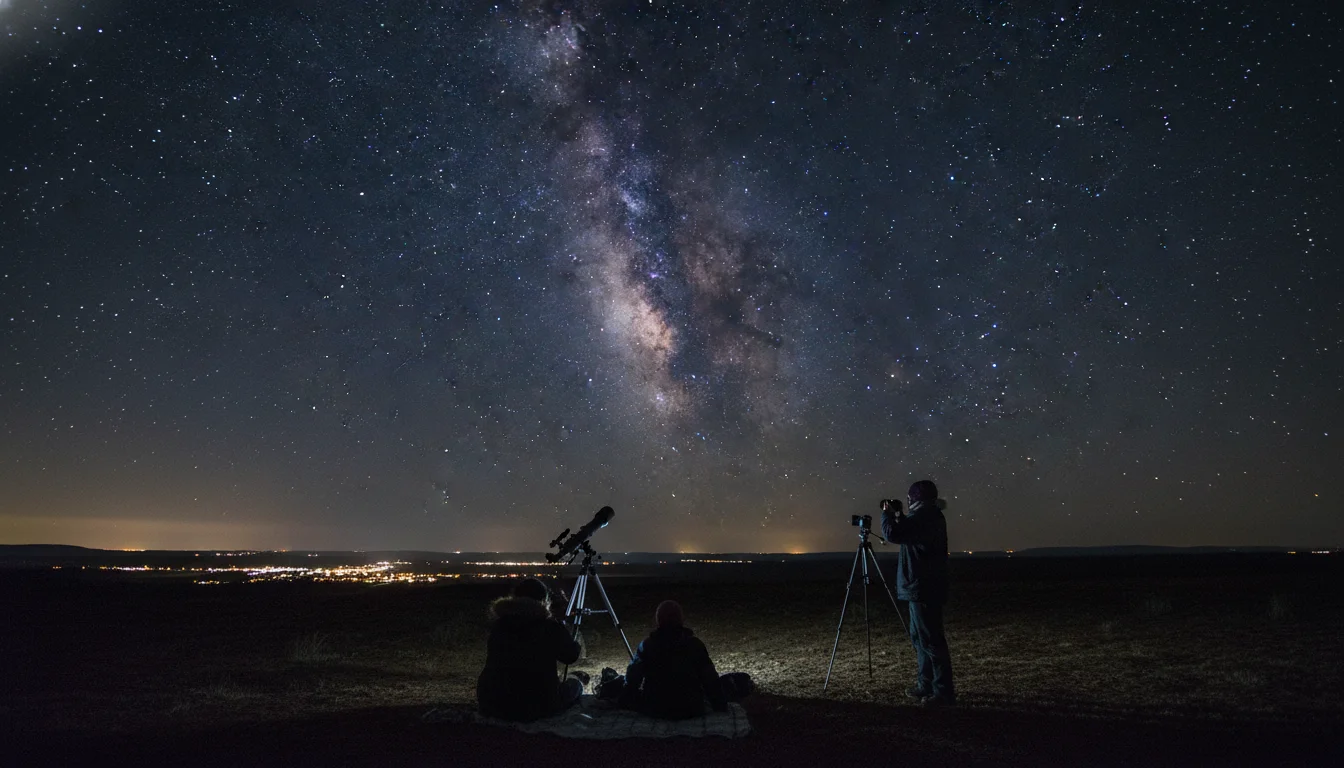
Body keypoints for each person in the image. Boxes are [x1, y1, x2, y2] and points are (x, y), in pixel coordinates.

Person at [881, 479, 956, 706]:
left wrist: (887, 515)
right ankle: (926, 684)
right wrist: (901, 516)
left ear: (914, 499)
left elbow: (893, 534)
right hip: (922, 588)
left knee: (931, 641)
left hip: (922, 589)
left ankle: (942, 692)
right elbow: (909, 532)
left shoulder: (924, 518)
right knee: (921, 639)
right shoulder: (929, 516)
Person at [613, 600, 750, 719]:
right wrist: (719, 705)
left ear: (658, 621)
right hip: (691, 708)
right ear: (681, 620)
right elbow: (710, 680)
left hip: (655, 708)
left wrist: (624, 702)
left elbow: (633, 679)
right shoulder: (695, 645)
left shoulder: (647, 645)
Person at [475, 577, 584, 721]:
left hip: (491, 701)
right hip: (536, 704)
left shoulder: (500, 625)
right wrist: (564, 630)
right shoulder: (548, 627)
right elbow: (571, 655)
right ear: (544, 601)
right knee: (575, 685)